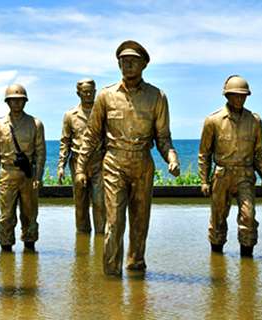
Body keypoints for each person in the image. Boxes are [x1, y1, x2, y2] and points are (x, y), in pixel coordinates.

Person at [75, 40, 180, 276]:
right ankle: (111, 275)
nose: (127, 64)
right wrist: (81, 167)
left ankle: (136, 268)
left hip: (143, 162)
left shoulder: (157, 97)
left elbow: (163, 137)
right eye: (123, 61)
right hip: (114, 163)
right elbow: (91, 136)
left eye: (133, 60)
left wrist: (171, 158)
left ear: (143, 64)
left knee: (140, 221)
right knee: (114, 222)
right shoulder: (105, 96)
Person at [198, 75, 262, 257]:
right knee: (218, 220)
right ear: (227, 96)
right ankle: (216, 263)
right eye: (236, 95)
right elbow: (204, 153)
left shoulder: (254, 121)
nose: (240, 99)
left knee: (249, 217)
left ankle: (247, 262)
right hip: (222, 175)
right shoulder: (213, 121)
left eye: (243, 96)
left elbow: (259, 152)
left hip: (245, 175)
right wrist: (204, 180)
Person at [0, 84, 46, 252]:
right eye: (12, 101)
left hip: (28, 175)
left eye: (20, 101)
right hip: (7, 173)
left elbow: (40, 153)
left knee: (29, 215)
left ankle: (30, 246)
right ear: (7, 102)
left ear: (25, 102)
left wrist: (38, 176)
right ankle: (5, 249)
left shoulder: (35, 124)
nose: (16, 104)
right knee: (6, 216)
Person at [57, 78, 105, 234]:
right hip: (77, 164)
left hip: (99, 162)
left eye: (92, 91)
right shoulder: (70, 115)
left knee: (100, 202)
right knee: (80, 203)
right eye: (85, 92)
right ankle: (82, 239)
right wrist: (61, 166)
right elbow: (65, 142)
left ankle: (101, 237)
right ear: (78, 93)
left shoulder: (102, 113)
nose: (89, 94)